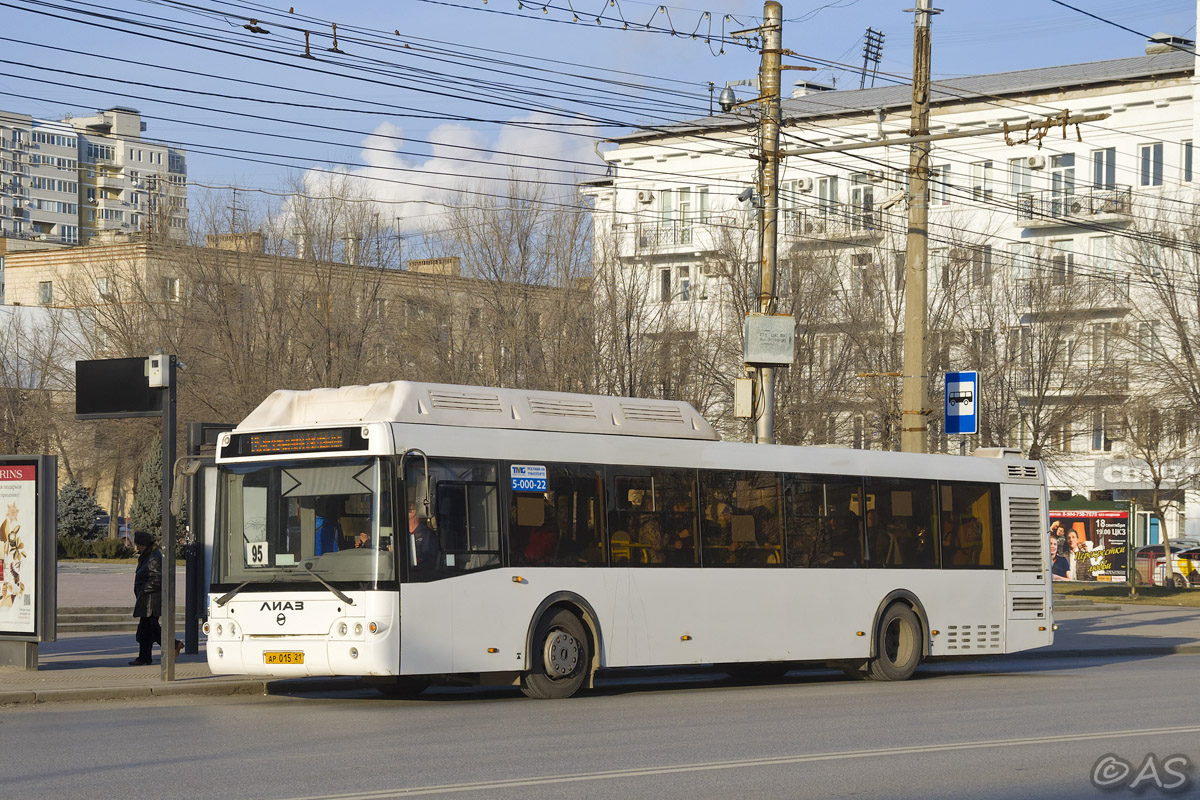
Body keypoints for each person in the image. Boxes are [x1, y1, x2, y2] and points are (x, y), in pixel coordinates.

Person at [130, 531, 180, 666]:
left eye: (139, 545)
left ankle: (174, 644)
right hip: (147, 599)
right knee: (145, 629)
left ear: (146, 545)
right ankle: (144, 657)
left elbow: (157, 578)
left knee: (152, 628)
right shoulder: (148, 555)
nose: (138, 548)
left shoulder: (153, 557)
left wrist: (143, 590)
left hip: (151, 600)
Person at [408, 503, 437, 567]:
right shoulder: (402, 534)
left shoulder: (427, 535)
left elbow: (428, 560)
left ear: (413, 512)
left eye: (406, 510)